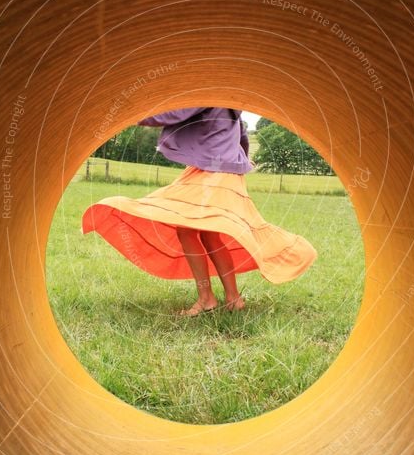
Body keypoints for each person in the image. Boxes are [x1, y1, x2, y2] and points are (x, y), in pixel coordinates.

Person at [81, 107, 317, 316]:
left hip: (215, 170)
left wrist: (135, 116)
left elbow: (178, 112)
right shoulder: (232, 101)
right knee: (210, 232)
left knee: (189, 229)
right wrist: (241, 161)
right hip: (222, 169)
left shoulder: (210, 91)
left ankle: (207, 299)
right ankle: (233, 299)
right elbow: (242, 135)